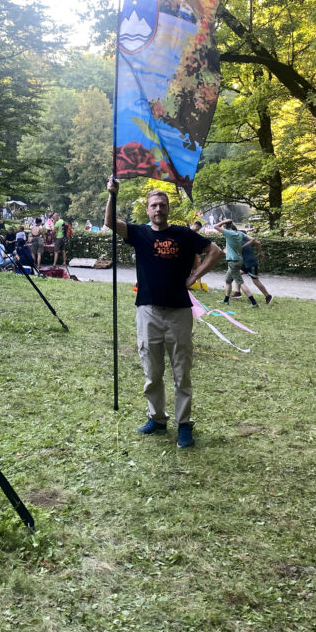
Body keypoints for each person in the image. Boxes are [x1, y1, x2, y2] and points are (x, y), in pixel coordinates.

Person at [105, 177, 224, 449]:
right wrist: (112, 194)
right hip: (148, 310)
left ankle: (184, 424)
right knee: (152, 370)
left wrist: (195, 276)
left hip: (179, 312)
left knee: (182, 372)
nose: (158, 209)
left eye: (162, 205)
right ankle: (157, 419)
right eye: (154, 205)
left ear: (168, 208)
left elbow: (215, 252)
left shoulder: (184, 234)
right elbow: (110, 223)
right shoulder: (139, 234)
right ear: (148, 210)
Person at [214, 219, 254, 304]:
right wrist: (243, 246)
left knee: (240, 282)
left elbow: (215, 226)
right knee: (228, 280)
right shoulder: (240, 233)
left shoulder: (228, 233)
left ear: (225, 226)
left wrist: (224, 220)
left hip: (233, 261)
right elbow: (252, 239)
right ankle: (226, 301)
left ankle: (254, 303)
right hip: (238, 260)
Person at [240, 236, 274, 306]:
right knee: (236, 274)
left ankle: (268, 296)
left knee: (255, 281)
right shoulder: (247, 240)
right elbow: (258, 243)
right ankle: (237, 292)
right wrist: (260, 252)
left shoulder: (237, 241)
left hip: (250, 263)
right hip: (245, 263)